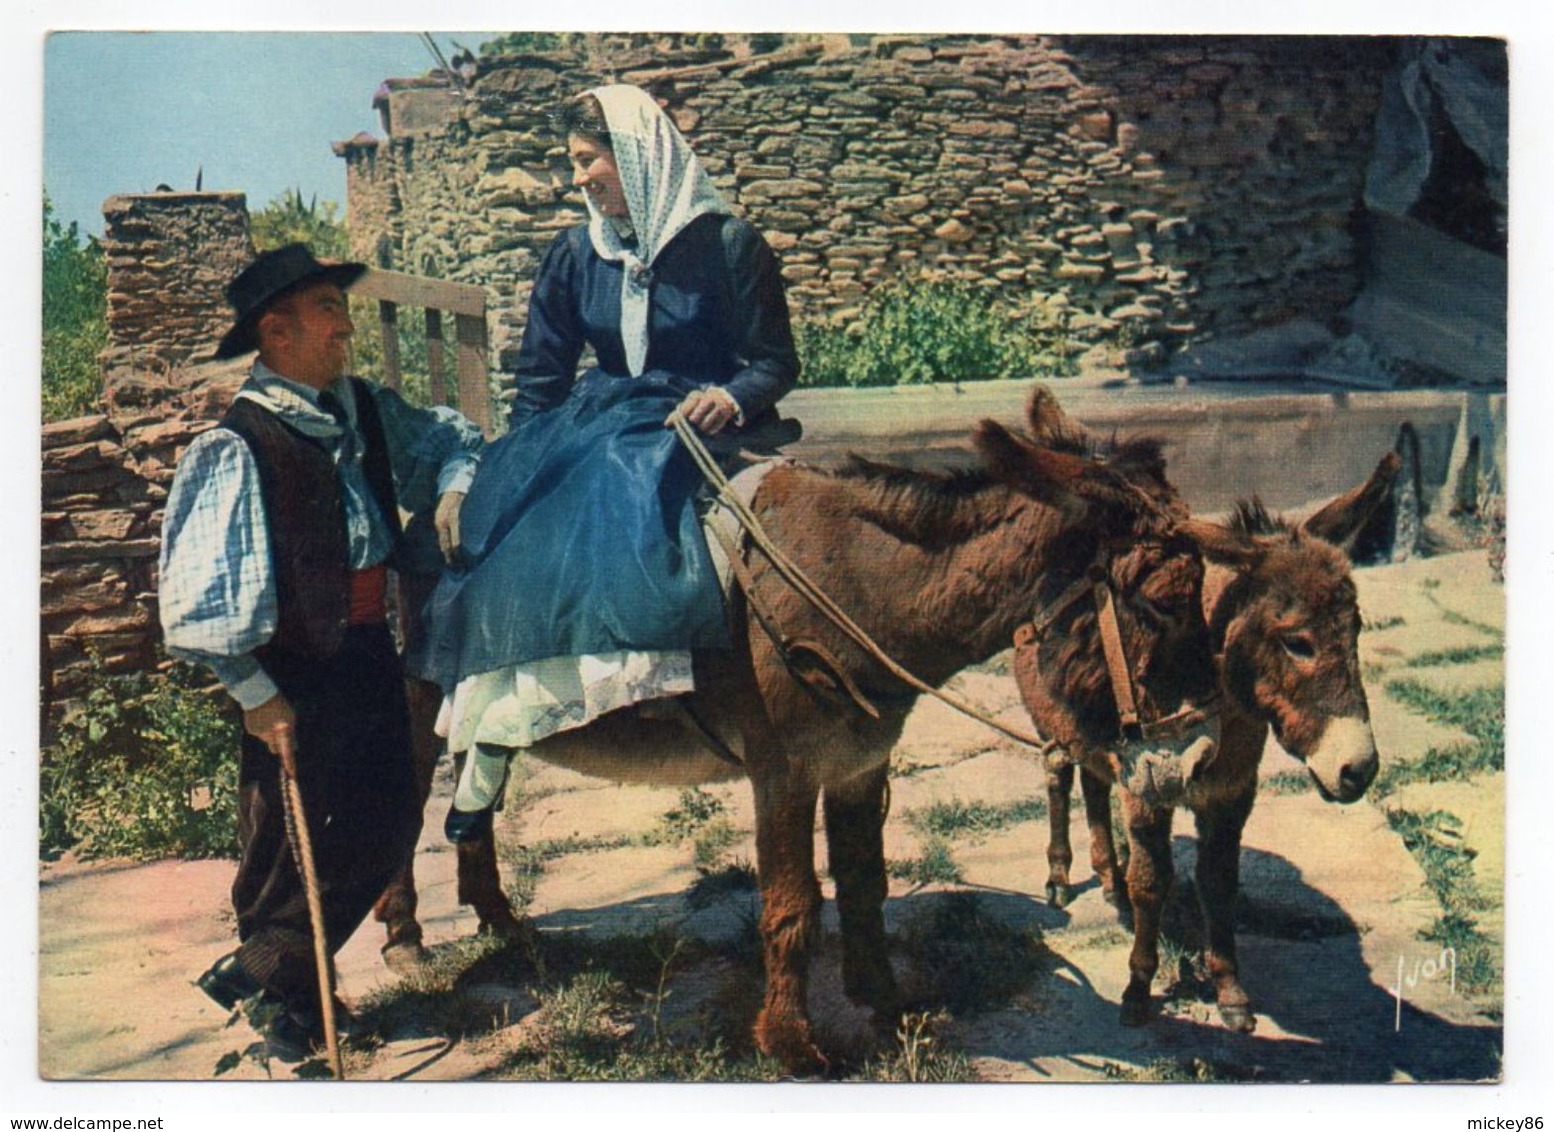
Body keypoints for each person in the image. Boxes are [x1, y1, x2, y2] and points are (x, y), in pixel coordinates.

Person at [421, 84, 800, 837]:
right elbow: (541, 378)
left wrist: (731, 397)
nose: (580, 179)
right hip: (602, 418)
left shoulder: (727, 245)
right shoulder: (575, 252)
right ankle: (492, 721)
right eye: (573, 164)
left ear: (635, 155)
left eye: (589, 160)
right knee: (514, 525)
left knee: (625, 489)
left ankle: (654, 687)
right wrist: (518, 468)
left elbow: (774, 362)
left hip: (694, 422)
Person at [158, 243, 484, 1061]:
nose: (346, 326)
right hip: (289, 670)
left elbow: (451, 440)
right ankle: (292, 1009)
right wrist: (253, 689)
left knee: (389, 819)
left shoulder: (363, 412)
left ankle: (260, 973)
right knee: (283, 842)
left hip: (371, 646)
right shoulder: (238, 443)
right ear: (277, 332)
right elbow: (197, 597)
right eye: (328, 311)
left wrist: (450, 486)